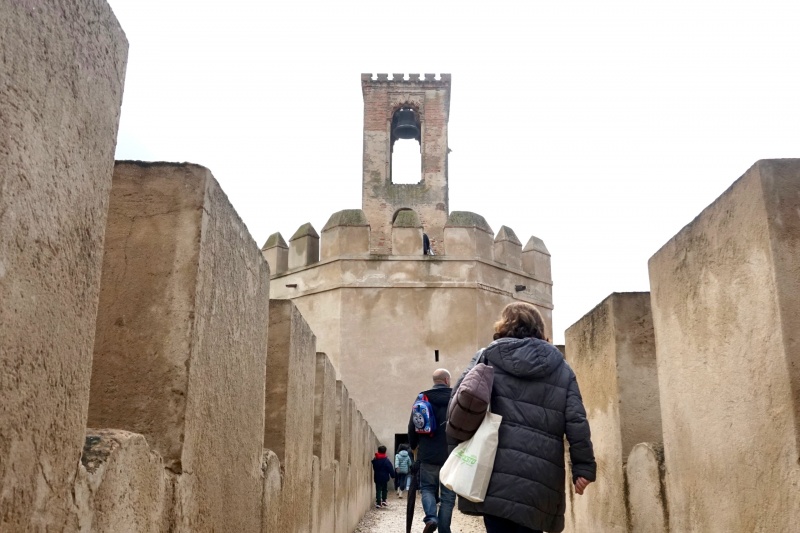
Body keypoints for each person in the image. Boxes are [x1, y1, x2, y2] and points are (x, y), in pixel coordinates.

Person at [452, 302, 596, 533]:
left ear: (503, 325)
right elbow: (577, 421)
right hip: (542, 477)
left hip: (494, 471)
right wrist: (584, 468)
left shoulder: (486, 357)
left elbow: (459, 405)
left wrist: (454, 449)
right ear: (539, 328)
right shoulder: (561, 368)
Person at [409, 368, 455, 533]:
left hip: (428, 454)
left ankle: (431, 518)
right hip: (451, 455)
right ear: (447, 380)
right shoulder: (455, 397)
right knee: (448, 498)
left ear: (434, 381)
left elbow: (413, 426)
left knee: (428, 488)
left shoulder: (422, 397)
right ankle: (444, 530)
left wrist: (414, 447)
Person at [371, 445, 395, 509]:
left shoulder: (375, 459)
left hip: (377, 476)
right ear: (385, 452)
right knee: (384, 489)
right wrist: (393, 476)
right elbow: (390, 468)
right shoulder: (386, 460)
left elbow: (374, 467)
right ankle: (384, 500)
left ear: (378, 451)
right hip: (384, 477)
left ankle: (378, 502)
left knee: (378, 489)